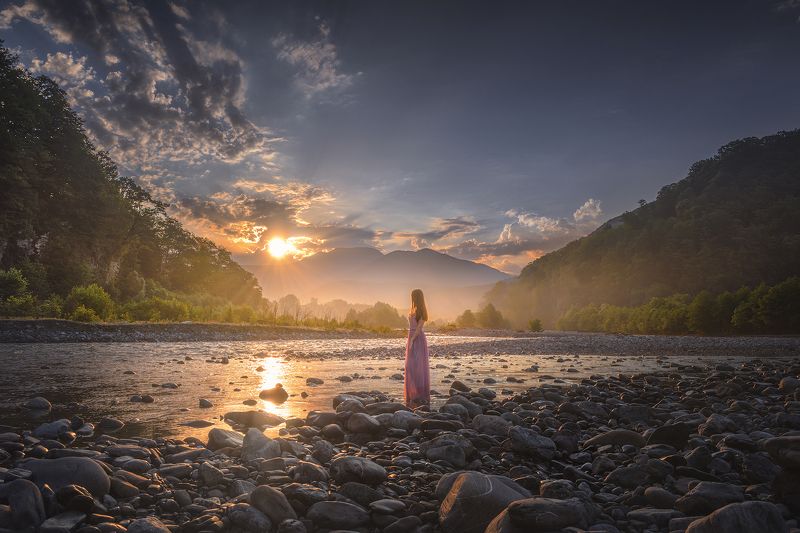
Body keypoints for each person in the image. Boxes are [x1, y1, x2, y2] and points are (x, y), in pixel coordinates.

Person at [404, 288, 430, 408]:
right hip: (411, 337)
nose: (412, 299)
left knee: (418, 366)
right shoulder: (413, 309)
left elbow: (419, 328)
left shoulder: (422, 311)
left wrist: (412, 340)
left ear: (417, 297)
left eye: (413, 297)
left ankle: (420, 394)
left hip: (418, 339)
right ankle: (413, 393)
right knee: (410, 366)